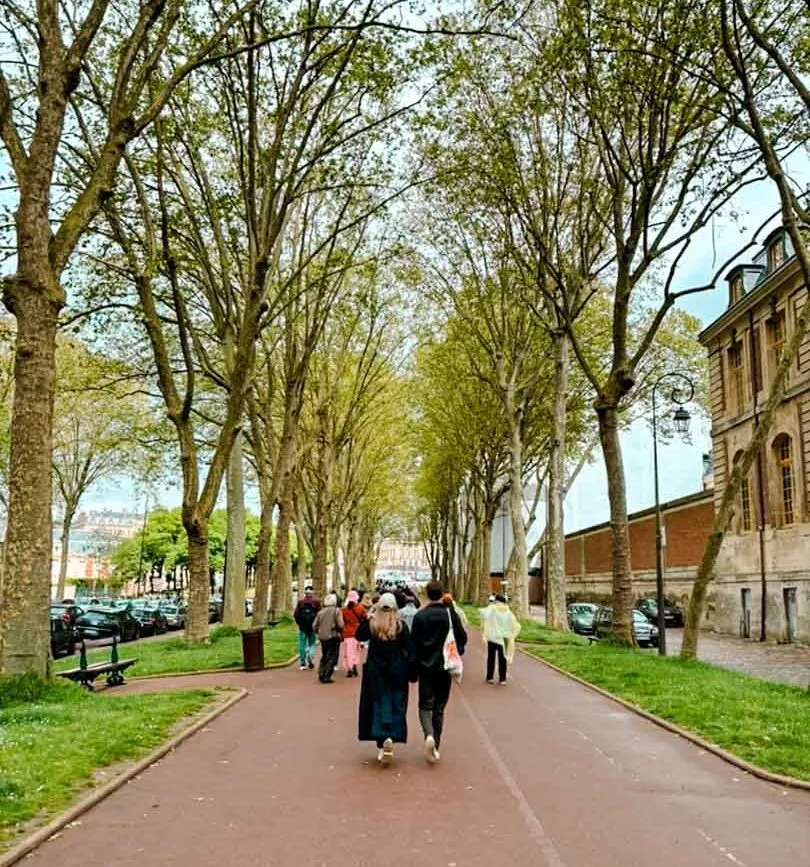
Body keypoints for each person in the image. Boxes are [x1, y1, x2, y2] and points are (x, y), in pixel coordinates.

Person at [410, 580, 467, 765]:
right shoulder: (450, 614)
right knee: (439, 707)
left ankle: (428, 734)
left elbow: (414, 645)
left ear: (427, 594)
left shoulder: (420, 616)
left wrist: (413, 670)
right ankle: (435, 745)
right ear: (442, 594)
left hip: (426, 668)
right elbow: (462, 638)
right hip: (445, 667)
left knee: (424, 705)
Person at [356, 592, 411, 766]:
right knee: (396, 704)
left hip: (376, 671)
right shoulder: (401, 626)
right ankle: (391, 736)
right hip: (397, 671)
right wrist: (411, 670)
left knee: (377, 704)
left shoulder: (373, 625)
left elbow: (359, 635)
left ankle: (381, 743)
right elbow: (409, 649)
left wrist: (369, 616)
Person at [480, 594, 521, 685]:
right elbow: (514, 624)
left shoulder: (492, 608)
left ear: (496, 600)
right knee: (503, 658)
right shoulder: (508, 611)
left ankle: (490, 677)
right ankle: (502, 679)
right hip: (504, 638)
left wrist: (484, 629)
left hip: (493, 636)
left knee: (491, 657)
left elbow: (484, 615)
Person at [312, 593, 344, 683]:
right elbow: (341, 624)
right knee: (332, 655)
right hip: (333, 635)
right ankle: (327, 675)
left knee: (324, 655)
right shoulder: (337, 611)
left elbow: (314, 625)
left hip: (322, 636)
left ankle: (321, 673)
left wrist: (318, 631)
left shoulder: (321, 612)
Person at [293, 587, 321, 670]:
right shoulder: (317, 602)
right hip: (312, 627)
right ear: (312, 593)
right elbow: (320, 615)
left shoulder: (300, 602)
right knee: (312, 643)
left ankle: (302, 664)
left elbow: (296, 615)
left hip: (302, 627)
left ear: (305, 594)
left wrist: (299, 623)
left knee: (302, 645)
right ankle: (310, 654)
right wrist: (317, 625)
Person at [341, 590, 367, 678]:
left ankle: (349, 668)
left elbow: (342, 621)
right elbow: (364, 618)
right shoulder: (360, 608)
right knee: (356, 650)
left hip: (347, 632)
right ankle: (354, 663)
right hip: (357, 632)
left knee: (348, 651)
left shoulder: (344, 610)